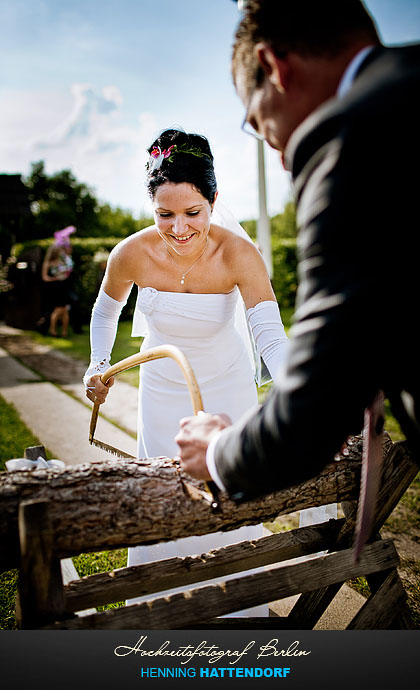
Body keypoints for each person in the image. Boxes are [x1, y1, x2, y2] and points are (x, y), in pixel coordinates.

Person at [175, 0, 420, 509]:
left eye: (257, 120)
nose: (281, 154)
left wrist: (218, 451)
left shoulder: (347, 139)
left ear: (273, 67)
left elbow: (320, 404)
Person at [83, 127, 289, 614]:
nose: (178, 229)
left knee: (227, 490)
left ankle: (236, 609)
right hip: (161, 388)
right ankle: (160, 607)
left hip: (228, 386)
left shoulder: (240, 254)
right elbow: (104, 311)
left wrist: (303, 394)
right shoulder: (130, 253)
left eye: (192, 213)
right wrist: (98, 364)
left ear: (214, 201)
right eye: (164, 215)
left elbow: (271, 337)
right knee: (166, 491)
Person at [40, 226, 76, 337]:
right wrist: (55, 278)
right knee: (59, 309)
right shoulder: (48, 263)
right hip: (55, 287)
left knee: (64, 310)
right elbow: (45, 277)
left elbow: (69, 269)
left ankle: (63, 331)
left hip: (63, 286)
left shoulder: (63, 261)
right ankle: (53, 329)